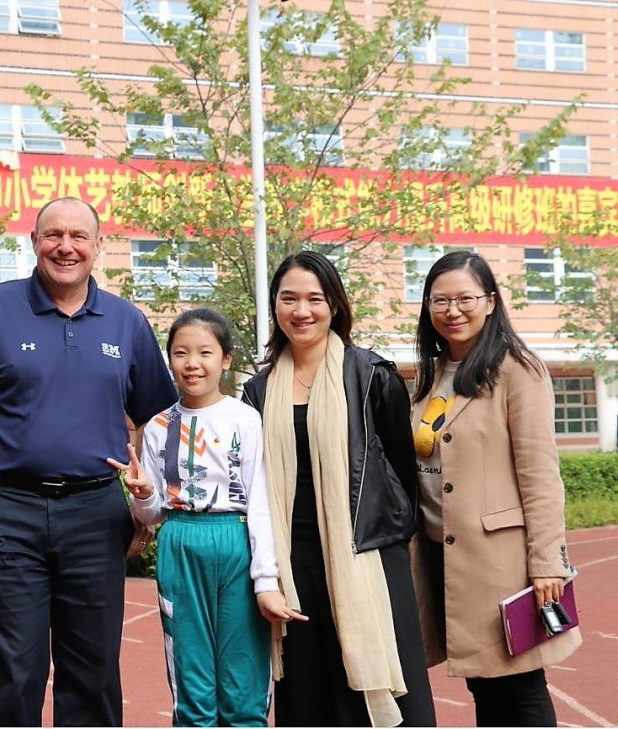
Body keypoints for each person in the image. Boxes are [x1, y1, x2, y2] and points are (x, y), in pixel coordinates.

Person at [0, 197, 178, 727]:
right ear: (34, 241)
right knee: (15, 668)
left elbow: (156, 418)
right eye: (53, 235)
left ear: (98, 247)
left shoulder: (126, 322)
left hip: (95, 511)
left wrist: (146, 503)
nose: (65, 247)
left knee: (93, 670)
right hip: (6, 509)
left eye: (78, 237)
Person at [242, 250, 435, 727]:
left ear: (334, 306)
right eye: (289, 298)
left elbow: (399, 467)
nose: (301, 310)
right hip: (294, 559)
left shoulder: (371, 375)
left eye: (314, 298)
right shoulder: (258, 391)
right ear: (275, 306)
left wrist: (395, 534)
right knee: (309, 693)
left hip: (366, 553)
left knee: (384, 687)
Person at [410, 250, 581, 726]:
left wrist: (548, 562)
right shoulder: (431, 372)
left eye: (465, 298)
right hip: (442, 556)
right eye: (440, 300)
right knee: (483, 685)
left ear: (490, 301)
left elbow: (541, 474)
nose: (453, 310)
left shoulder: (516, 370)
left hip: (499, 562)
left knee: (519, 685)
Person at [110, 308, 272, 726]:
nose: (192, 363)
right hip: (180, 542)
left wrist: (266, 578)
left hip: (235, 542)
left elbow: (260, 501)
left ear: (226, 359)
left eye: (205, 352)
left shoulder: (245, 418)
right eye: (180, 353)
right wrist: (142, 494)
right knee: (192, 681)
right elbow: (152, 514)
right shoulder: (161, 426)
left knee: (244, 681)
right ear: (170, 362)